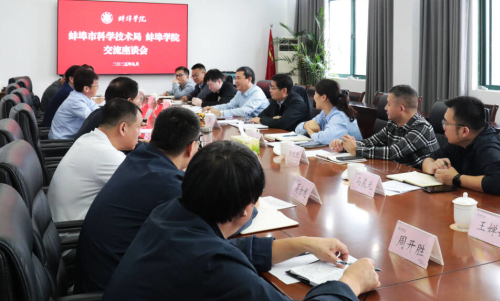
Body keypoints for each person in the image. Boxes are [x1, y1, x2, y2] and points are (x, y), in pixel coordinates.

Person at [101, 141, 381, 301]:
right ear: (246, 211)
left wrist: (304, 244)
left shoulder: (169, 212)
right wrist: (350, 283)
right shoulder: (215, 268)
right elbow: (219, 259)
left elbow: (228, 249)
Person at [75, 107, 253, 293]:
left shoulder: (139, 157)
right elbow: (224, 220)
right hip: (109, 285)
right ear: (191, 147)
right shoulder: (170, 185)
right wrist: (250, 199)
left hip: (102, 272)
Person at [48, 99, 142, 222]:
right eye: (138, 127)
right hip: (73, 228)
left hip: (61, 221)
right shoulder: (105, 154)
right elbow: (143, 192)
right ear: (123, 128)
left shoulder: (88, 138)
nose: (139, 133)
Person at [421, 96, 500, 199]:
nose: (443, 127)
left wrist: (455, 178)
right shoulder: (459, 142)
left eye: (446, 123)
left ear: (464, 131)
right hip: (476, 200)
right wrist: (433, 167)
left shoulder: (490, 147)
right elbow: (428, 159)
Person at [329, 85, 437, 168]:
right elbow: (371, 141)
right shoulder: (393, 123)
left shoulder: (422, 127)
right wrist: (345, 145)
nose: (385, 108)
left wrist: (356, 150)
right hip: (398, 174)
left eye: (388, 104)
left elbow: (393, 152)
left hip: (420, 182)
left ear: (401, 109)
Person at [294, 79, 360, 143]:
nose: (314, 97)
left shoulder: (339, 116)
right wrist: (307, 124)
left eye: (315, 94)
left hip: (353, 150)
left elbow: (327, 139)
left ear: (323, 97)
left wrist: (311, 133)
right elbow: (297, 129)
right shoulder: (324, 113)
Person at [75, 76, 141, 139]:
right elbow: (126, 143)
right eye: (137, 99)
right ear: (129, 101)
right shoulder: (112, 118)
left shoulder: (101, 112)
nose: (138, 103)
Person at [49, 67, 99, 140]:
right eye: (96, 86)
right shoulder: (75, 101)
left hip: (71, 138)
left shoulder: (84, 96)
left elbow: (97, 112)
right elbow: (93, 119)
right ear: (86, 88)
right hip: (62, 142)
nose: (97, 88)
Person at [204, 66, 269, 119]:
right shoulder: (240, 92)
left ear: (249, 79)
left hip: (259, 127)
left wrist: (220, 113)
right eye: (235, 78)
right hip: (245, 123)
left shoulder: (257, 93)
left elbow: (244, 111)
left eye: (238, 78)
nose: (235, 81)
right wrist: (213, 108)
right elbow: (229, 106)